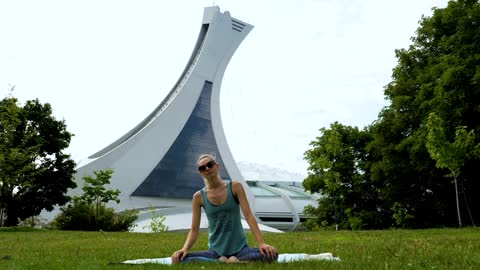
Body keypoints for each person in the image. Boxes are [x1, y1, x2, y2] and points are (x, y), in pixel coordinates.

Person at [171, 154, 278, 263]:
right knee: (178, 260)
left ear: (217, 166)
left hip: (241, 250)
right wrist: (184, 249)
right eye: (202, 168)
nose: (207, 168)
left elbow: (249, 216)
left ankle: (228, 261)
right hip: (215, 252)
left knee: (272, 255)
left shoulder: (235, 187)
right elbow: (194, 229)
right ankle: (229, 262)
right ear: (201, 173)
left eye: (210, 165)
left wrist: (261, 243)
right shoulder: (198, 197)